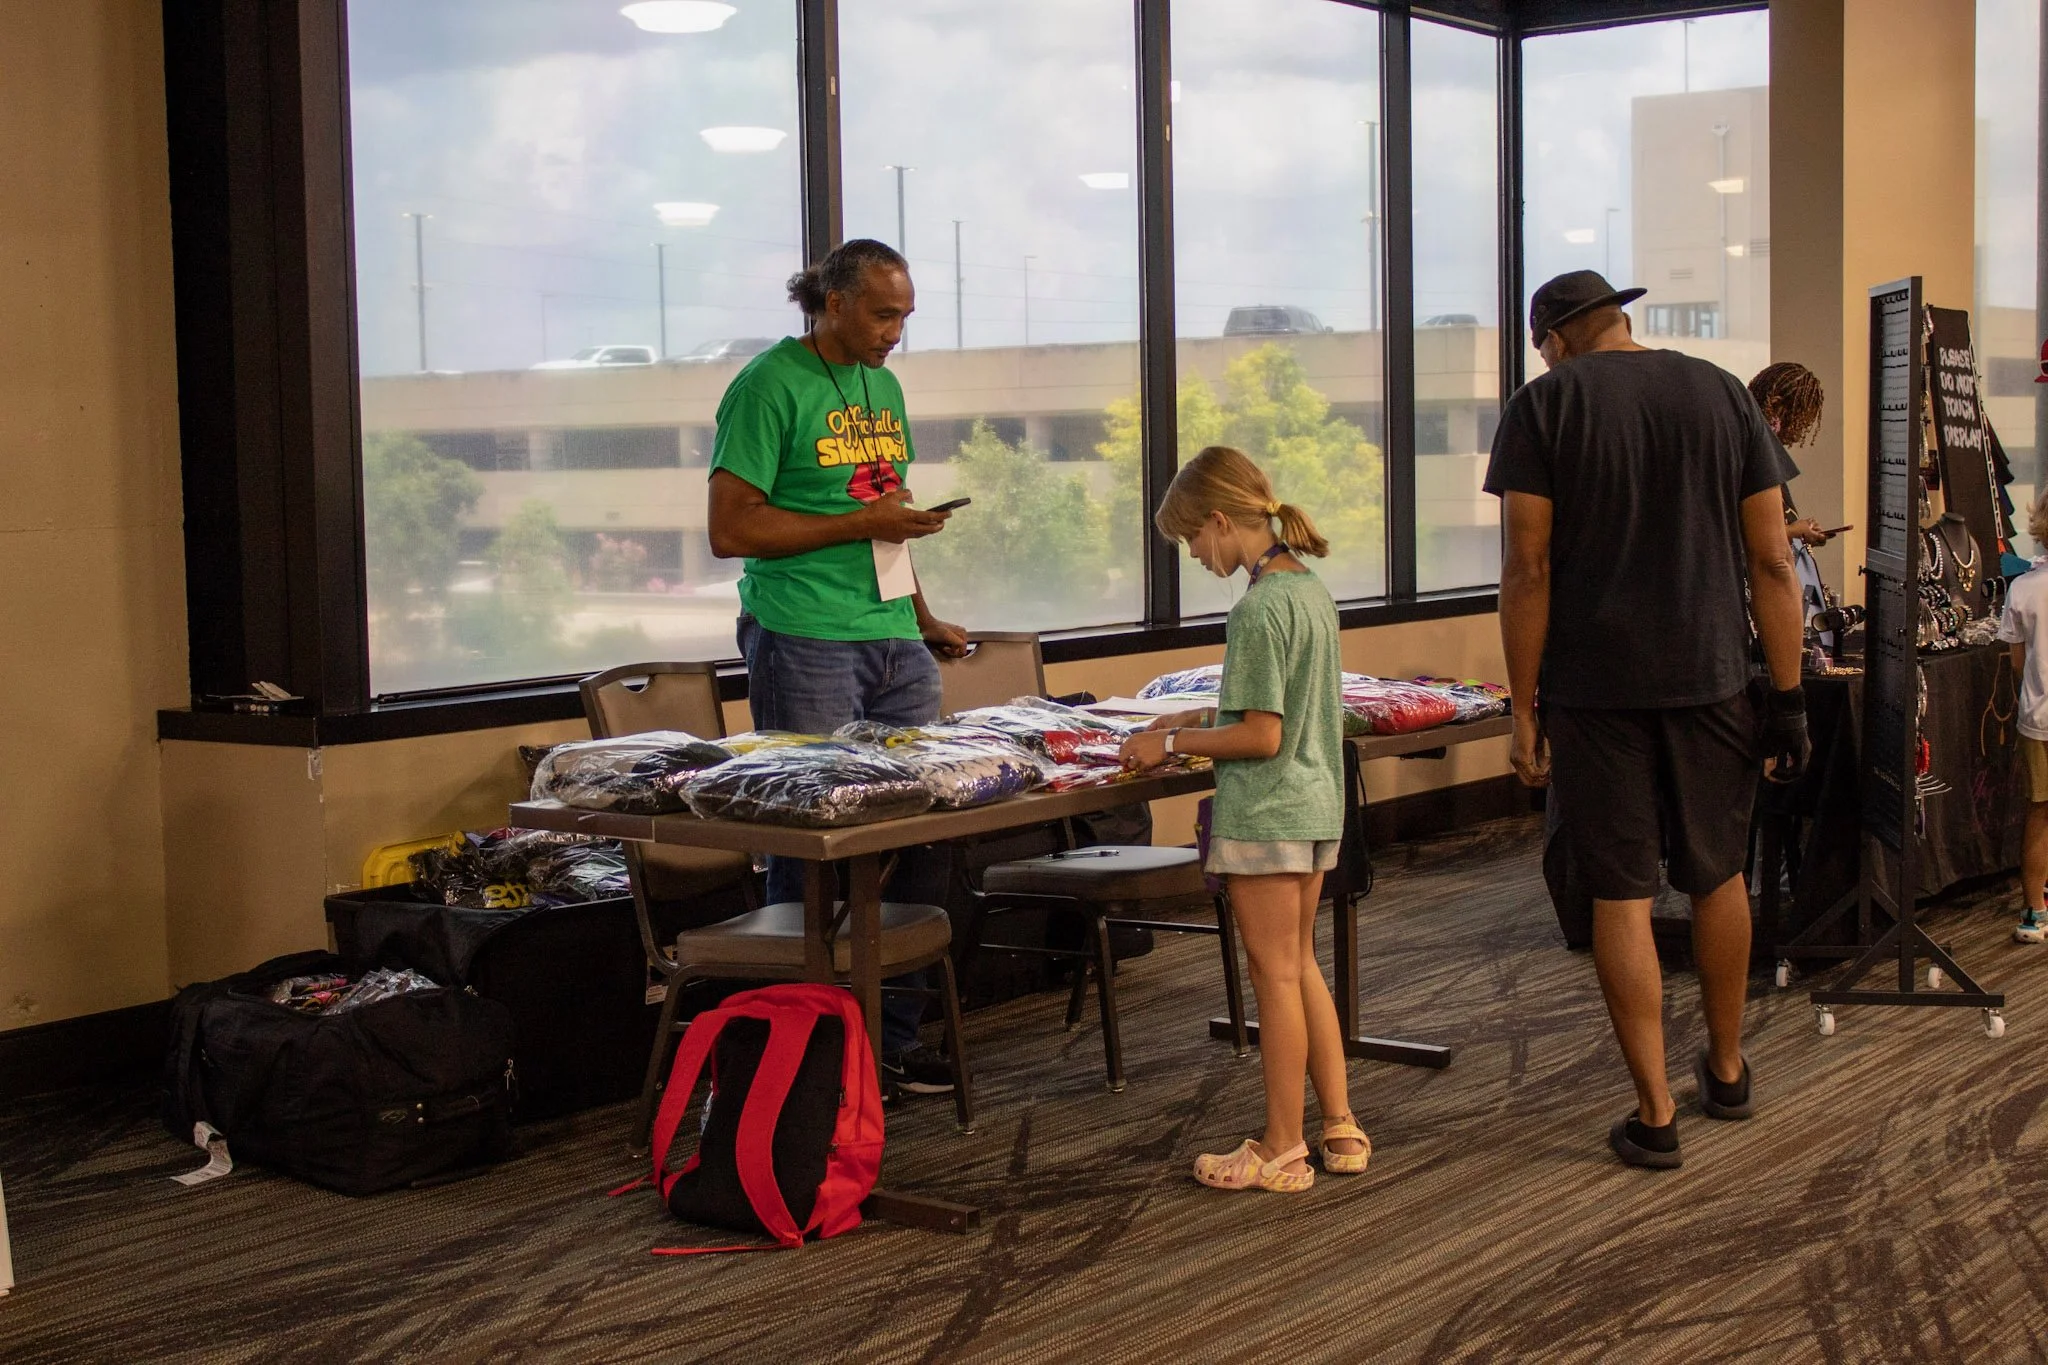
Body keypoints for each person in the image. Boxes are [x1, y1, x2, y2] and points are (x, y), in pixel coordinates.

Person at [1486, 270, 1810, 1170]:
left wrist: (1523, 709)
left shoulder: (1543, 406)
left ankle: (1656, 1111)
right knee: (1719, 876)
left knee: (1621, 893)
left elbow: (1527, 568)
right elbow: (1773, 563)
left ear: (1553, 336)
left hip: (1596, 694)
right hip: (1713, 680)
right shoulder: (1717, 392)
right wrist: (1786, 698)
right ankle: (1731, 1066)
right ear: (1619, 321)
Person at [707, 237, 968, 1097]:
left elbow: (880, 513)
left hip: (892, 638)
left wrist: (923, 619)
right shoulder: (767, 385)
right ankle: (812, 1063)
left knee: (922, 824)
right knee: (814, 845)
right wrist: (856, 527)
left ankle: (886, 1042)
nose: (896, 332)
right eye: (884, 313)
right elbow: (731, 528)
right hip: (805, 634)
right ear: (832, 301)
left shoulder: (881, 386)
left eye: (905, 317)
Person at [1121, 446, 1368, 1192]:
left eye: (1193, 540)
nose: (1194, 555)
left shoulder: (1256, 609)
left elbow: (1262, 735)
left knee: (1273, 978)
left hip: (1267, 813)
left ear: (1222, 521)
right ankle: (1340, 1126)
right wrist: (1205, 712)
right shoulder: (1309, 590)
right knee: (1300, 967)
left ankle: (1280, 1145)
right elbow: (1287, 707)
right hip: (1318, 803)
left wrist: (1167, 741)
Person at [1996, 497, 2048, 945]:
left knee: (2040, 812)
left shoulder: (2023, 588)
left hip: (2038, 717)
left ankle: (2034, 910)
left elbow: (2016, 662)